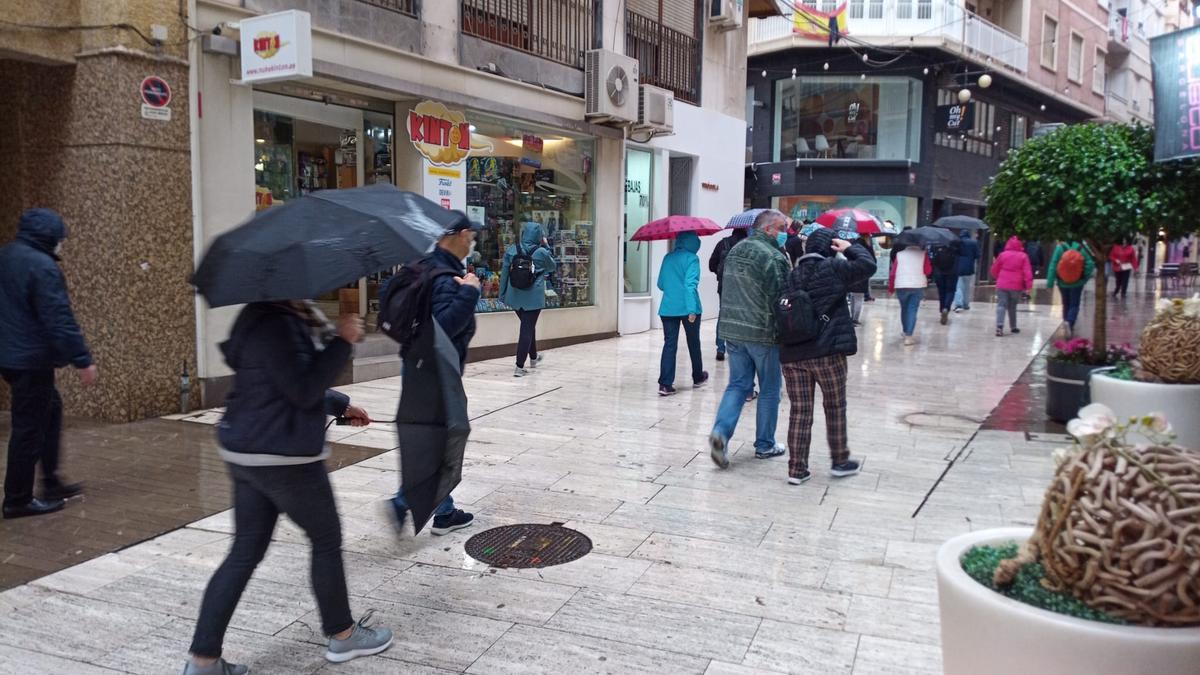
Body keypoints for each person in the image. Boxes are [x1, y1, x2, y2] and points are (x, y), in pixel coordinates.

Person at [183, 301, 392, 674]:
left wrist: (339, 406)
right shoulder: (280, 323)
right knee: (326, 539)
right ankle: (343, 636)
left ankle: (203, 660)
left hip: (245, 450)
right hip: (284, 457)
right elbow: (302, 388)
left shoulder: (256, 316)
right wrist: (342, 341)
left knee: (244, 552)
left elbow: (273, 379)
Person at [0, 208, 97, 519]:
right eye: (60, 240)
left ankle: (51, 480)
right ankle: (18, 499)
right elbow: (58, 318)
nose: (62, 245)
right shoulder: (42, 267)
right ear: (49, 237)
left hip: (10, 354)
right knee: (29, 427)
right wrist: (82, 359)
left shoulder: (7, 255)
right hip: (29, 358)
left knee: (50, 408)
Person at [390, 218, 480, 536]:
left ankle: (443, 509)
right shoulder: (444, 276)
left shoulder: (427, 266)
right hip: (435, 370)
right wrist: (469, 293)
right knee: (446, 435)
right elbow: (441, 327)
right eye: (469, 235)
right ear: (453, 236)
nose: (472, 242)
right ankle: (404, 502)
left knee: (435, 436)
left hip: (419, 366)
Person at [780, 228, 875, 484]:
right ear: (829, 248)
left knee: (799, 412)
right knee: (834, 406)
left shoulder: (792, 274)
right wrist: (849, 246)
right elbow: (868, 266)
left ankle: (796, 470)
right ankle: (840, 461)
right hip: (827, 352)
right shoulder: (835, 268)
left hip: (793, 354)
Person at [709, 210, 791, 468]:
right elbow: (782, 297)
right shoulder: (774, 257)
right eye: (782, 228)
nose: (785, 233)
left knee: (738, 385)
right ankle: (765, 445)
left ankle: (720, 433)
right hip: (762, 332)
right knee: (769, 389)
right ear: (768, 229)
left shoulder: (736, 249)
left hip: (733, 330)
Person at [499, 221, 556, 377]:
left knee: (529, 326)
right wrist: (547, 246)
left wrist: (502, 295)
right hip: (533, 298)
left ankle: (533, 358)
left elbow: (504, 273)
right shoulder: (541, 252)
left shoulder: (512, 250)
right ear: (538, 236)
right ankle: (519, 366)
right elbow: (552, 267)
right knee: (527, 329)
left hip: (514, 296)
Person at [656, 231, 708, 396]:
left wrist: (673, 288)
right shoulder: (692, 259)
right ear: (694, 243)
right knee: (693, 342)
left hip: (668, 308)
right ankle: (698, 376)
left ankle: (665, 384)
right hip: (688, 308)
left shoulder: (667, 257)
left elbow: (661, 284)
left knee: (669, 344)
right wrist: (692, 309)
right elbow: (690, 285)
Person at [708, 227, 748, 361]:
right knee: (741, 315)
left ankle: (720, 348)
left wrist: (721, 273)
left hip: (724, 286)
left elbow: (711, 265)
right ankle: (739, 347)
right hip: (743, 287)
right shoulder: (748, 245)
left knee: (723, 315)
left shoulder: (722, 243)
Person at [1046, 241, 1096, 336]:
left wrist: (1050, 283)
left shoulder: (1060, 247)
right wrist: (1084, 277)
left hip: (1062, 282)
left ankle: (1066, 321)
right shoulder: (1083, 247)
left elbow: (1053, 265)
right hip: (1077, 283)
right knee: (1074, 304)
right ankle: (1070, 322)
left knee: (1066, 303)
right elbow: (1090, 264)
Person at [888, 241, 932, 346]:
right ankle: (909, 335)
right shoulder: (923, 254)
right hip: (917, 285)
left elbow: (893, 272)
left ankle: (904, 331)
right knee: (912, 309)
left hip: (901, 285)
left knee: (904, 308)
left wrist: (891, 288)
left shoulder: (899, 254)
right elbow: (928, 271)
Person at [991, 236, 1033, 337]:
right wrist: (1028, 286)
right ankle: (1013, 327)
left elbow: (994, 269)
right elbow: (1027, 272)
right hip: (1016, 285)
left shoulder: (1002, 255)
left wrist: (998, 278)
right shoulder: (1023, 256)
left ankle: (999, 327)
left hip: (1002, 284)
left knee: (1001, 305)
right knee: (1012, 306)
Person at [930, 237, 961, 325]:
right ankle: (946, 308)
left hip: (940, 274)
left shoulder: (939, 247)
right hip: (952, 273)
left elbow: (934, 262)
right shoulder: (957, 249)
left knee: (942, 292)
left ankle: (942, 309)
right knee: (950, 291)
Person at [847, 234, 877, 326]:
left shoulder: (852, 244)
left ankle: (851, 318)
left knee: (853, 297)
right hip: (862, 273)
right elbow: (873, 261)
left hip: (851, 272)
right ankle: (855, 319)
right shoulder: (867, 247)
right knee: (859, 298)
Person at [952, 230, 981, 313]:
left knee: (958, 286)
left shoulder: (957, 242)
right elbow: (977, 255)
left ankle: (958, 304)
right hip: (969, 267)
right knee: (967, 287)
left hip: (958, 267)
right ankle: (966, 304)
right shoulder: (974, 243)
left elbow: (954, 253)